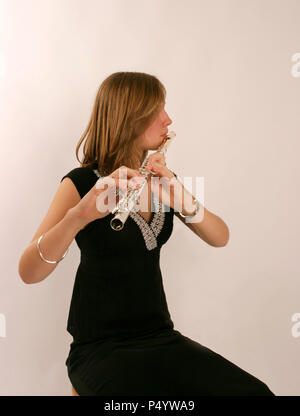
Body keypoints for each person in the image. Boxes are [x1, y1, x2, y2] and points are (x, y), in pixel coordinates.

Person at [18, 72, 275, 396]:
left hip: (160, 338)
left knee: (256, 393)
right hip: (99, 349)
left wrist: (183, 199)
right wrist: (79, 216)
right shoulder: (81, 183)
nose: (168, 120)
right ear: (130, 119)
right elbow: (28, 272)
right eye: (158, 111)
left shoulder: (163, 179)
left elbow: (220, 237)